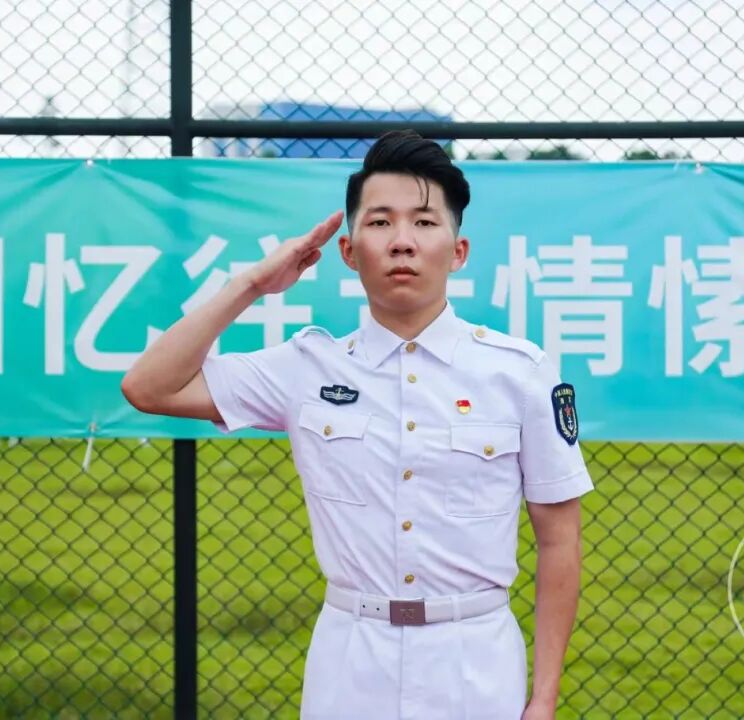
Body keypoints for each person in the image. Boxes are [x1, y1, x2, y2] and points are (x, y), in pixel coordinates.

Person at [121, 130, 593, 720]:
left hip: (475, 660)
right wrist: (252, 285)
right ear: (348, 250)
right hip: (349, 660)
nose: (402, 241)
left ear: (458, 250)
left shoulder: (519, 372)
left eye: (424, 222)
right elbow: (150, 387)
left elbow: (559, 540)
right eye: (380, 222)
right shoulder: (307, 366)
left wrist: (543, 698)